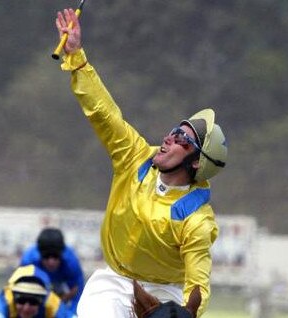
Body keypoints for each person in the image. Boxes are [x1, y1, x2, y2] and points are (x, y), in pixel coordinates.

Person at [54, 8, 228, 318]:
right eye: (175, 131)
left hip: (166, 291)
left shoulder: (198, 220)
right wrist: (77, 58)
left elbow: (198, 285)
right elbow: (104, 114)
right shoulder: (135, 156)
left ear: (197, 163)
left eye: (183, 140)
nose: (170, 138)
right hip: (115, 280)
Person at [19, 228, 84, 315]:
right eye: (46, 256)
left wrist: (72, 314)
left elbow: (78, 294)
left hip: (61, 290)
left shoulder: (71, 262)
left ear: (62, 253)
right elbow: (20, 294)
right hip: (39, 288)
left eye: (55, 256)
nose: (51, 262)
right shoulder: (28, 261)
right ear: (40, 254)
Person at [0, 264, 75, 318]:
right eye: (21, 300)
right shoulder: (5, 300)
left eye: (33, 301)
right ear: (13, 296)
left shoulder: (51, 302)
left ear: (43, 299)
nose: (26, 308)